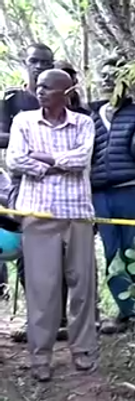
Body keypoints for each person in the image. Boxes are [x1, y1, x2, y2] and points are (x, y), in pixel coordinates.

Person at [6, 68, 98, 383]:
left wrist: (42, 159)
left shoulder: (84, 123)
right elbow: (16, 160)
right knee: (42, 288)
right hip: (38, 213)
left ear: (66, 92)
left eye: (47, 87)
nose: (40, 90)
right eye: (39, 86)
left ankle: (83, 349)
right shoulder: (23, 121)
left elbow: (81, 160)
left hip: (77, 212)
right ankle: (40, 356)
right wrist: (59, 162)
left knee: (82, 284)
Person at [0, 43, 71, 342]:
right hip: (23, 183)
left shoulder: (64, 95)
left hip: (59, 182)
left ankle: (62, 319)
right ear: (25, 63)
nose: (40, 66)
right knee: (28, 253)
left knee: (60, 252)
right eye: (34, 61)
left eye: (46, 61)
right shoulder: (12, 99)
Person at [89, 55, 135, 334]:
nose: (107, 81)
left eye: (113, 76)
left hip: (130, 189)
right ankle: (128, 311)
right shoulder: (89, 116)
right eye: (103, 76)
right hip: (100, 193)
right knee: (112, 251)